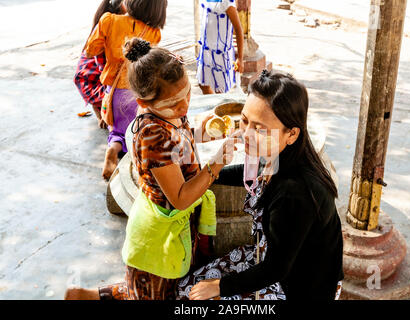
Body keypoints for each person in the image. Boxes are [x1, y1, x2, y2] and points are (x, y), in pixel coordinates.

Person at [64, 38, 239, 300]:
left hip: (169, 225)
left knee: (152, 288)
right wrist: (217, 163)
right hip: (159, 231)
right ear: (144, 103)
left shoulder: (167, 115)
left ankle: (85, 296)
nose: (184, 106)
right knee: (155, 291)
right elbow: (180, 199)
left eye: (187, 93)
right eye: (174, 102)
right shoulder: (152, 134)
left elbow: (184, 133)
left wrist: (213, 130)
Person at [177, 70, 344, 301]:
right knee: (186, 289)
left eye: (260, 128)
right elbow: (246, 173)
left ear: (292, 134)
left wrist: (220, 287)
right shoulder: (277, 152)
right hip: (267, 257)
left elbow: (276, 268)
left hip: (299, 285)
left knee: (196, 300)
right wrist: (207, 174)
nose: (246, 134)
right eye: (244, 121)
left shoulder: (295, 192)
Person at [84, 0, 166, 180]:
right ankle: (137, 166)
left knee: (118, 132)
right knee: (138, 131)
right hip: (139, 91)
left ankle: (113, 148)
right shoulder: (154, 33)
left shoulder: (109, 20)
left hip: (114, 91)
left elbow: (90, 50)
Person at [74, 0, 126, 129]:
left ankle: (103, 107)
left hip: (101, 76)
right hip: (92, 82)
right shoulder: (104, 36)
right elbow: (107, 75)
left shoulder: (115, 28)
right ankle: (100, 108)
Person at [197, 0, 244, 94]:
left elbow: (239, 30)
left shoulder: (227, 3)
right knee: (202, 83)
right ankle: (212, 104)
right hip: (206, 50)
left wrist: (240, 58)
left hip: (220, 54)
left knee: (220, 90)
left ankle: (218, 105)